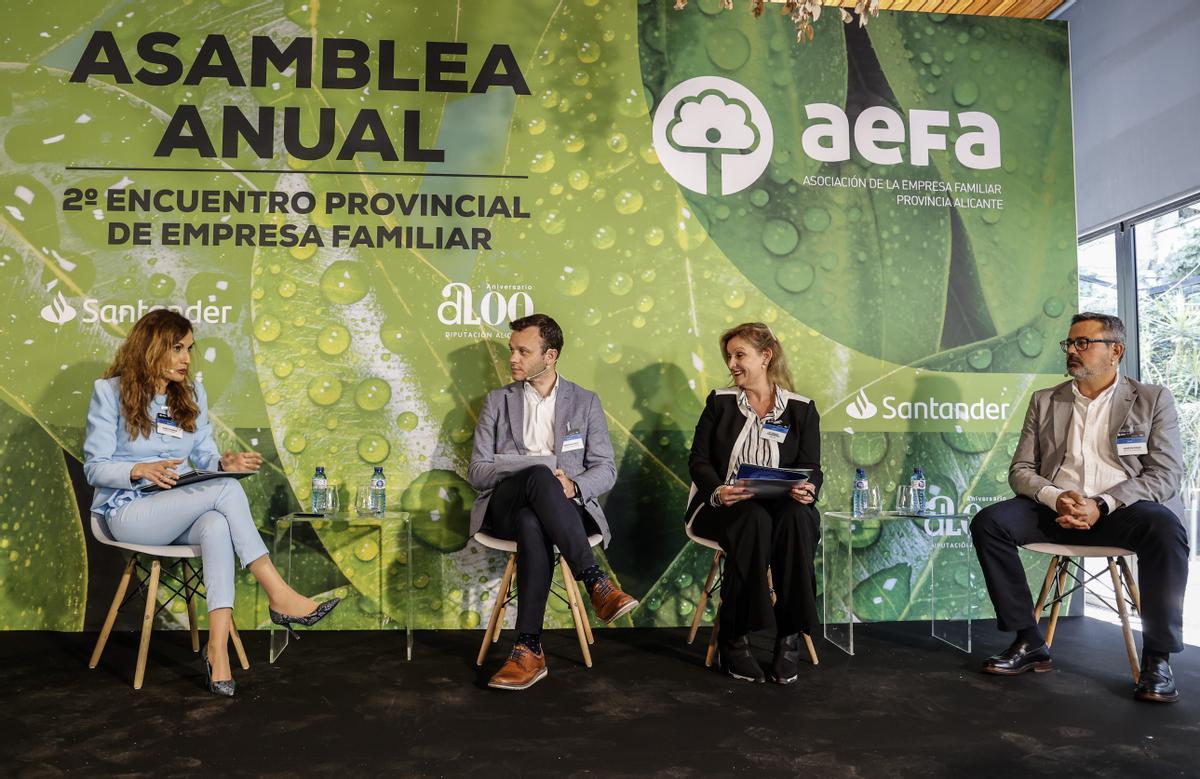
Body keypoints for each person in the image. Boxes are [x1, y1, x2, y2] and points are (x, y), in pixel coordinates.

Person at [83, 310, 339, 696]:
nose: (186, 358)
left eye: (189, 348)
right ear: (151, 349)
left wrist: (222, 463)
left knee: (218, 523)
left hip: (178, 506)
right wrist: (139, 469)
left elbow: (203, 458)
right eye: (177, 348)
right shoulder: (109, 393)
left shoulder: (191, 394)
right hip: (129, 511)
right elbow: (94, 468)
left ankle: (217, 649)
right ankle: (279, 594)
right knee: (226, 492)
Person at [971, 312, 1189, 703]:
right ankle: (1028, 640)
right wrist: (1056, 497)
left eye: (1083, 343)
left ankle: (1158, 658)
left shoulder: (1152, 399)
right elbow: (1021, 470)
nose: (1072, 351)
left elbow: (1165, 475)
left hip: (1122, 511)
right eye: (1069, 344)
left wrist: (1101, 504)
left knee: (1165, 528)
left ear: (1115, 351)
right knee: (990, 522)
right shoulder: (1045, 400)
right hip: (1058, 508)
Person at [467, 313, 638, 690]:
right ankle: (595, 581)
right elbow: (477, 472)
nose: (512, 358)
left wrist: (572, 487)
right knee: (538, 478)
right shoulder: (497, 402)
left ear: (551, 355)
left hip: (560, 510)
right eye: (511, 350)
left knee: (534, 520)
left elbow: (605, 469)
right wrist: (523, 470)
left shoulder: (585, 402)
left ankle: (528, 650)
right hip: (504, 507)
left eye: (522, 351)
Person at [685, 322, 822, 683]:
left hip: (781, 506)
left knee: (797, 518)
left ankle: (788, 638)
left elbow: (812, 469)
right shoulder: (720, 402)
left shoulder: (802, 410)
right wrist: (718, 490)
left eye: (739, 355)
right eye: (729, 356)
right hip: (723, 505)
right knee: (753, 519)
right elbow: (698, 460)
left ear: (766, 356)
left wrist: (808, 490)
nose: (731, 363)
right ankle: (735, 638)